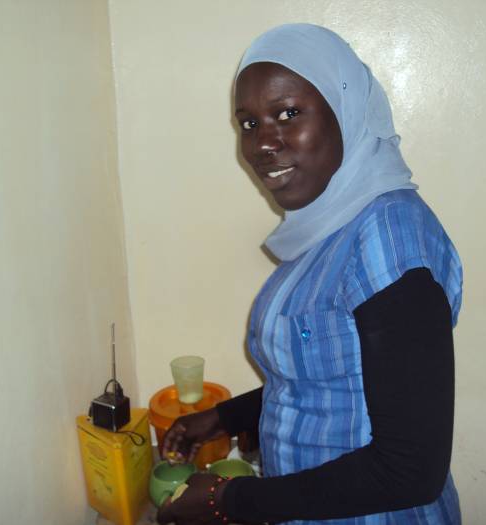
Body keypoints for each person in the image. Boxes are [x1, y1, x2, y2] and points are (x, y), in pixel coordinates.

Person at [157, 23, 463, 525]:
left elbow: (411, 469)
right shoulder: (329, 224)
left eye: (288, 113)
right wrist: (223, 418)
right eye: (248, 124)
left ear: (345, 111)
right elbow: (330, 377)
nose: (263, 144)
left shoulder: (389, 237)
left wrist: (227, 502)